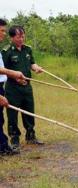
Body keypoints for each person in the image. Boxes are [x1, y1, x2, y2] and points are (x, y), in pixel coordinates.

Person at [2, 25, 44, 151]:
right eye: (18, 37)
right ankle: (14, 139)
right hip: (13, 88)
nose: (21, 39)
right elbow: (4, 71)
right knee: (12, 114)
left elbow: (32, 63)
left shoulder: (28, 49)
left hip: (27, 87)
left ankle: (31, 136)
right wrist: (16, 78)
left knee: (29, 111)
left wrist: (36, 68)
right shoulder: (6, 51)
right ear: (12, 37)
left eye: (23, 36)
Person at [0, 19, 27, 155]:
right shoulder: (6, 51)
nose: (4, 34)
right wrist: (13, 73)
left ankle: (3, 147)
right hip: (10, 87)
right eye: (2, 30)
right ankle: (5, 146)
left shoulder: (27, 50)